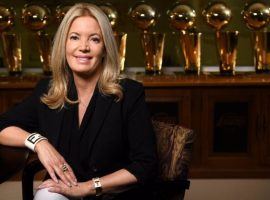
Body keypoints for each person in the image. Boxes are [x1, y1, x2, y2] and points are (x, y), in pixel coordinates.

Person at [0, 3, 157, 200]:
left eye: (94, 39)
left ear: (105, 48)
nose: (83, 47)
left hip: (113, 194)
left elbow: (145, 165)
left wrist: (88, 187)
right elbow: (3, 126)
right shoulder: (50, 90)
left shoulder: (129, 94)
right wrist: (39, 143)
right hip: (63, 189)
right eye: (74, 37)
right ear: (63, 44)